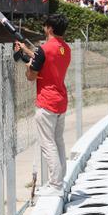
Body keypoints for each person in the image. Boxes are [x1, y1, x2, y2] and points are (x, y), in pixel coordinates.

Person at [15, 14, 71, 197]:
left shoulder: (44, 49)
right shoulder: (66, 49)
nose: (44, 29)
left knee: (48, 143)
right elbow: (47, 61)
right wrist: (28, 52)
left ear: (50, 29)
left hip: (46, 101)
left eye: (45, 26)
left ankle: (55, 185)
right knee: (58, 141)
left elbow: (31, 76)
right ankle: (60, 180)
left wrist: (27, 65)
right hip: (60, 99)